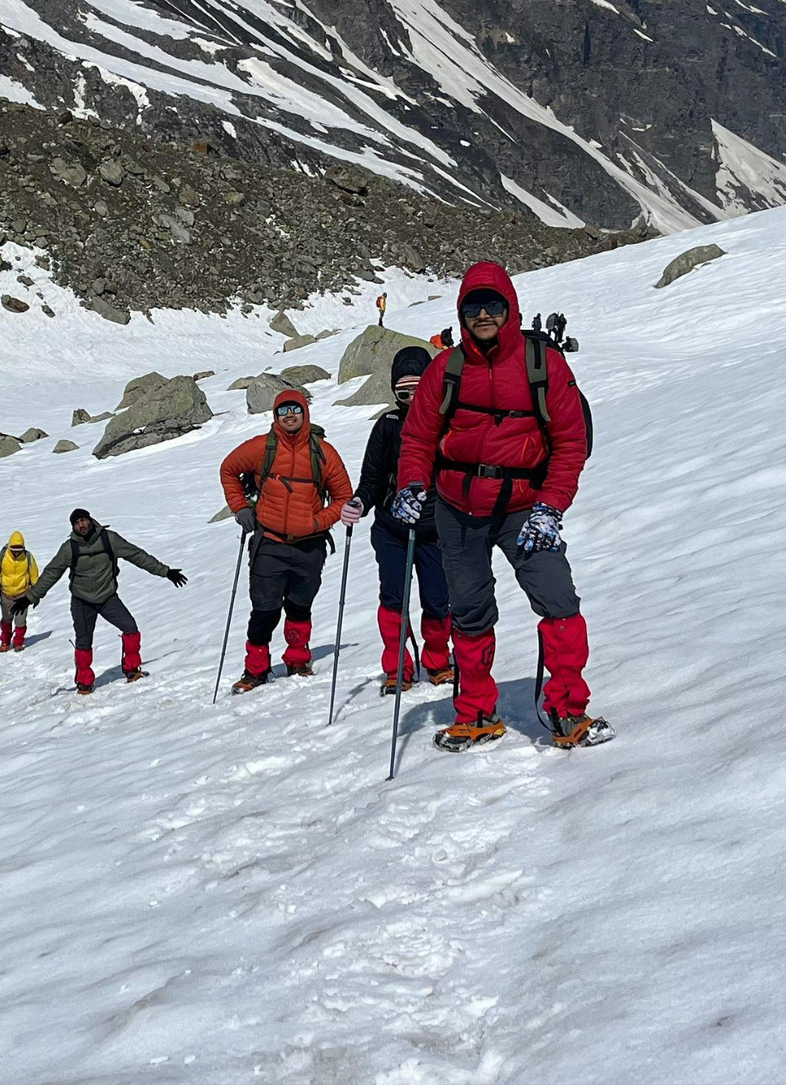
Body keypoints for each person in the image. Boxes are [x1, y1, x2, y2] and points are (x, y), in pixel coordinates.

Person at [393, 261, 606, 749]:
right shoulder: (445, 370)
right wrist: (411, 484)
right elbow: (417, 438)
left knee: (558, 601)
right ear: (461, 313)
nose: (483, 314)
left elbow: (570, 442)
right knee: (469, 610)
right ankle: (476, 713)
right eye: (473, 306)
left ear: (510, 308)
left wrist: (550, 506)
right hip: (457, 509)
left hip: (525, 508)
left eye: (493, 305)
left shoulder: (542, 364)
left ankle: (568, 710)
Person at [218, 388, 353, 692]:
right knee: (264, 609)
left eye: (295, 409)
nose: (289, 415)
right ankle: (255, 670)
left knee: (299, 606)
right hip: (270, 542)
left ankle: (298, 661)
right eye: (283, 410)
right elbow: (228, 469)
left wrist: (318, 522)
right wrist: (240, 508)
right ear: (275, 415)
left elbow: (344, 496)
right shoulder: (261, 448)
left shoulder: (323, 452)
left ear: (305, 413)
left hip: (310, 546)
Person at [340, 346, 453, 695]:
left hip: (436, 529)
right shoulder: (387, 425)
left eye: (419, 390)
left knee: (438, 600)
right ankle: (397, 668)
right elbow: (373, 477)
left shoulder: (449, 423)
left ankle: (437, 661)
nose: (412, 399)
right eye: (403, 393)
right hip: (392, 529)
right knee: (393, 599)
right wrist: (360, 501)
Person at [28, 507, 187, 694]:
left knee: (130, 628)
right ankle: (84, 683)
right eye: (77, 523)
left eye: (83, 520)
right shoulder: (69, 548)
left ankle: (132, 670)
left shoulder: (109, 539)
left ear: (90, 520)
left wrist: (165, 572)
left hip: (107, 597)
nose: (81, 525)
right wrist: (31, 596)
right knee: (84, 642)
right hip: (82, 601)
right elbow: (52, 572)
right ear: (73, 527)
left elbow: (137, 555)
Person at [0, 531, 39, 652]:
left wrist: (36, 594)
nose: (16, 552)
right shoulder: (2, 555)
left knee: (20, 622)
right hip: (6, 594)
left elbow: (34, 576)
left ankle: (18, 642)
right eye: (14, 549)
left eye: (19, 550)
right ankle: (5, 641)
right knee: (6, 620)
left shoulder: (28, 557)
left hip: (23, 594)